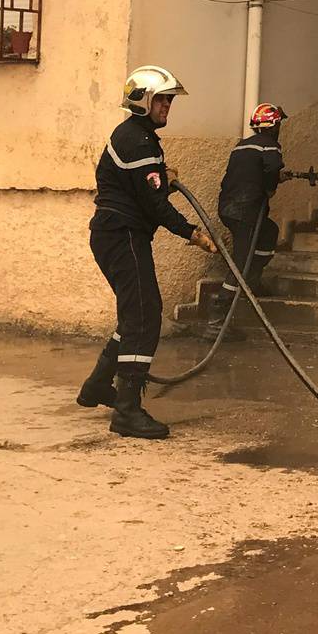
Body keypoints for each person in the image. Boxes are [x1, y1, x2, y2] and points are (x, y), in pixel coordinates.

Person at [76, 65, 214, 440]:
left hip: (116, 235)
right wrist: (192, 233)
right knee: (144, 318)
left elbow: (142, 190)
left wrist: (160, 179)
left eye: (169, 100)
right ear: (142, 101)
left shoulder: (139, 137)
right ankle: (127, 410)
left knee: (134, 314)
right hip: (123, 237)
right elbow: (153, 205)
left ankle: (97, 387)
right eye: (162, 99)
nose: (167, 106)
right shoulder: (137, 140)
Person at [213, 102, 285, 317]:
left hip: (228, 208)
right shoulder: (270, 145)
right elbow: (272, 167)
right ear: (273, 125)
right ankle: (219, 312)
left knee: (269, 231)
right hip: (246, 211)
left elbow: (247, 173)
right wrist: (271, 187)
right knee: (241, 260)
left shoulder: (242, 146)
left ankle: (252, 280)